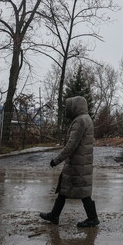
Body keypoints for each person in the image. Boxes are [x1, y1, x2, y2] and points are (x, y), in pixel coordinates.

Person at [40, 96, 99, 227]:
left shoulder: (80, 121)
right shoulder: (86, 118)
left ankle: (93, 218)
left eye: (69, 106)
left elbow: (71, 145)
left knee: (82, 193)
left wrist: (56, 160)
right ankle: (54, 215)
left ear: (75, 107)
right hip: (80, 163)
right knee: (64, 191)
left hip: (78, 164)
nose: (68, 109)